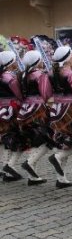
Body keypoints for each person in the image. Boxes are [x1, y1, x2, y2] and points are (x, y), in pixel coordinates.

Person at [47, 46, 72, 188]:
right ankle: (57, 157)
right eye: (71, 55)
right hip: (70, 110)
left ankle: (61, 178)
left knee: (63, 142)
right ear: (68, 58)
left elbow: (46, 92)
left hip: (56, 109)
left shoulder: (50, 74)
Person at [17, 50, 53, 185]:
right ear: (37, 60)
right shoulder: (39, 75)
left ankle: (33, 176)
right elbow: (46, 93)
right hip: (38, 109)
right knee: (46, 139)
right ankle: (30, 163)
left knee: (34, 140)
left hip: (26, 108)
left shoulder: (22, 75)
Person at [0, 51, 24, 182]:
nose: (17, 61)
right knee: (15, 139)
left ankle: (5, 168)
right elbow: (20, 95)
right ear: (10, 62)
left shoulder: (2, 76)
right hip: (11, 109)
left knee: (6, 140)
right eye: (15, 59)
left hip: (1, 110)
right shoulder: (10, 79)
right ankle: (9, 169)